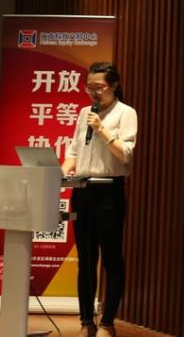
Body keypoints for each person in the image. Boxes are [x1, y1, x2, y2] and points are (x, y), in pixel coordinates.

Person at [61, 62, 138, 337]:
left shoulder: (126, 113)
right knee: (86, 258)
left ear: (114, 85)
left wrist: (102, 129)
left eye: (99, 87)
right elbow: (74, 150)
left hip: (109, 193)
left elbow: (125, 154)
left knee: (111, 258)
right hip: (82, 191)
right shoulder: (85, 113)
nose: (93, 92)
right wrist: (63, 171)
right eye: (89, 87)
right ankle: (86, 322)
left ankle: (107, 323)